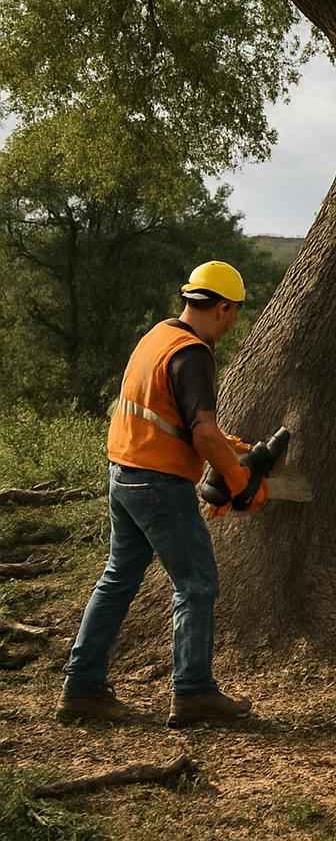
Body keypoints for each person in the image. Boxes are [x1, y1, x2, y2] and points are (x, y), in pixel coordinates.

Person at [57, 260, 268, 727]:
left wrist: (234, 450)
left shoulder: (158, 337)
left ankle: (82, 686)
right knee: (196, 583)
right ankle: (193, 693)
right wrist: (240, 484)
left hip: (124, 473)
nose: (232, 323)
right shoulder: (194, 354)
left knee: (117, 578)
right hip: (157, 482)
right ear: (223, 307)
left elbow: (169, 419)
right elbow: (204, 435)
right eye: (233, 313)